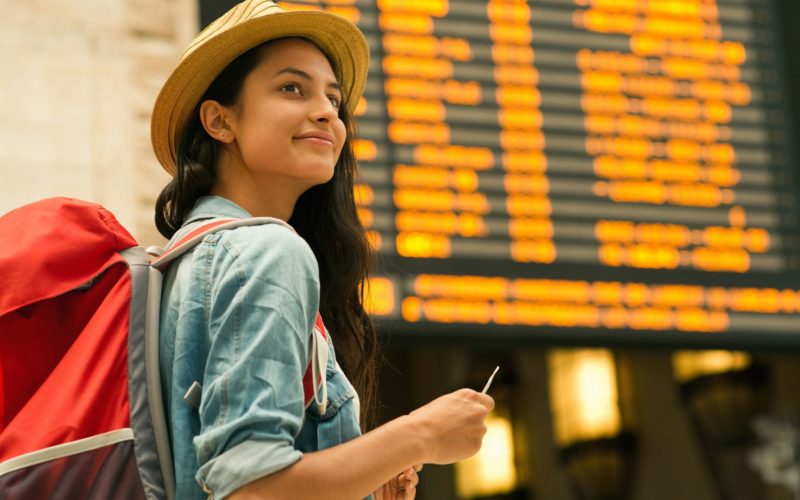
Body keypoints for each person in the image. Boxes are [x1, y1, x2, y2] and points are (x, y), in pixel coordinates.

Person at [151, 1, 494, 499]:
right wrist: (420, 434)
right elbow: (251, 487)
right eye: (292, 88)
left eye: (334, 100)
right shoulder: (268, 252)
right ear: (219, 122)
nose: (326, 113)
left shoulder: (183, 259)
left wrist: (366, 474)